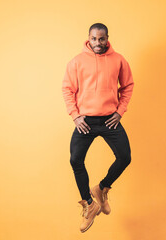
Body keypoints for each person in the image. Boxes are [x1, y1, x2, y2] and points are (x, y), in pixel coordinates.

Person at [62, 23, 134, 233]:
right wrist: (75, 117)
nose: (98, 43)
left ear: (107, 38)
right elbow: (67, 89)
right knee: (75, 160)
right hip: (85, 121)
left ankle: (101, 188)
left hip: (110, 120)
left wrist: (120, 111)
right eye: (94, 39)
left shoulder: (119, 60)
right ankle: (89, 203)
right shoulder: (76, 62)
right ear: (88, 38)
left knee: (125, 157)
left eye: (101, 39)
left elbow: (128, 86)